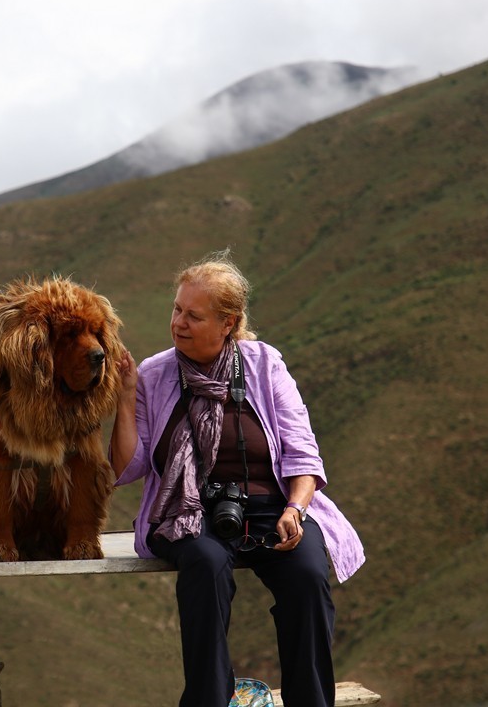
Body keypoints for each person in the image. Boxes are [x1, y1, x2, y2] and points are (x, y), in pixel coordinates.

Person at [110, 251, 365, 707]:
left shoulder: (264, 364)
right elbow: (127, 468)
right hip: (187, 512)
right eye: (177, 310)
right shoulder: (154, 374)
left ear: (228, 323)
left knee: (307, 576)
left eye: (194, 315)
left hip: (273, 509)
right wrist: (126, 396)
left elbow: (303, 454)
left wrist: (295, 509)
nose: (178, 323)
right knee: (205, 566)